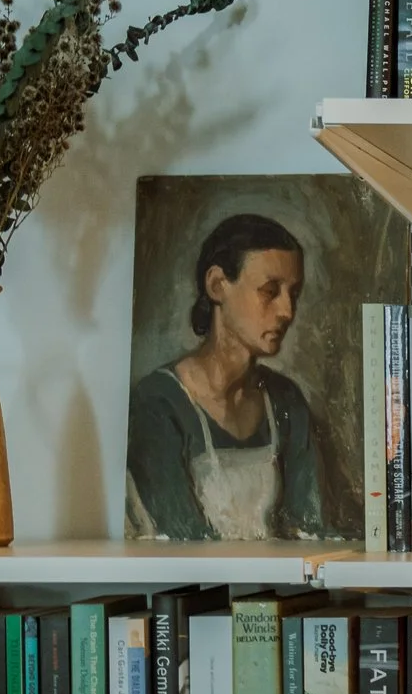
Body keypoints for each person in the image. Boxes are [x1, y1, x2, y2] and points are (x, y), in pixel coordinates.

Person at [125, 213, 325, 543]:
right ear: (217, 284)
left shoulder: (286, 401)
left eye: (294, 293)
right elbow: (181, 538)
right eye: (270, 291)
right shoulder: (159, 402)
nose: (287, 311)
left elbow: (309, 527)